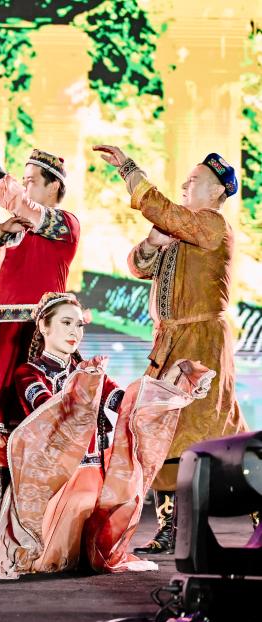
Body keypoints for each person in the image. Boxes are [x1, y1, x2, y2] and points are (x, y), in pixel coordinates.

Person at [0, 293, 213, 579]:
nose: (74, 332)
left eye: (79, 325)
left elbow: (126, 403)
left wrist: (172, 383)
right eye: (66, 323)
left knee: (109, 510)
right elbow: (51, 410)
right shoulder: (29, 372)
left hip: (91, 477)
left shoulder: (90, 373)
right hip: (53, 480)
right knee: (52, 547)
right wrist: (87, 383)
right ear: (43, 326)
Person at [93, 144, 248, 554]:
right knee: (167, 428)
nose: (184, 184)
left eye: (194, 181)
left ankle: (197, 521)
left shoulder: (211, 224)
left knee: (200, 429)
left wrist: (130, 170)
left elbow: (166, 213)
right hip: (170, 342)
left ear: (217, 191)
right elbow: (138, 266)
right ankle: (172, 525)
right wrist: (152, 240)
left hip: (200, 342)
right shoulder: (182, 229)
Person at [0, 145, 79, 489]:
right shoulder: (18, 230)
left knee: (38, 417)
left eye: (31, 181)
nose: (24, 187)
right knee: (0, 423)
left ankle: (41, 499)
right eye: (23, 181)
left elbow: (23, 205)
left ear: (53, 186)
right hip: (5, 335)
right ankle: (8, 494)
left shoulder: (64, 224)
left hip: (39, 336)